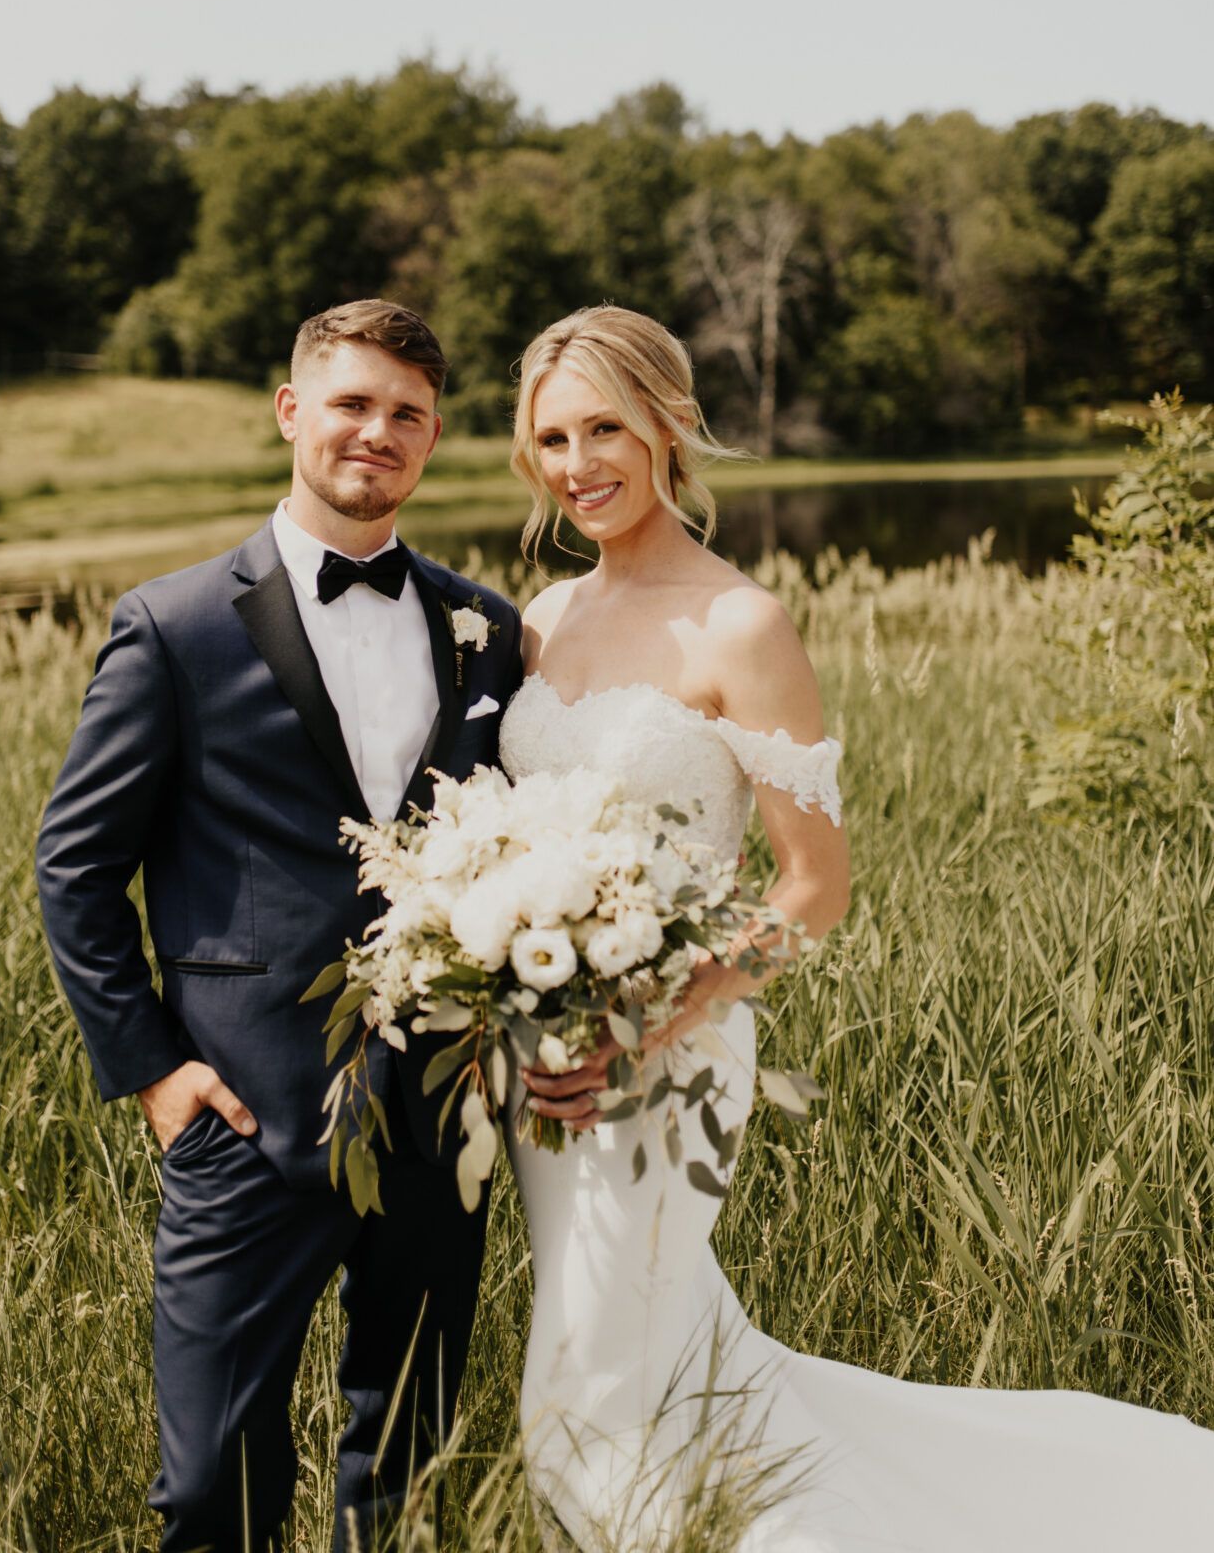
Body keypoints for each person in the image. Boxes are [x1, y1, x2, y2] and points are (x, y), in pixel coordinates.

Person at [497, 304, 1213, 1551]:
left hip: (672, 1052)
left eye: (604, 424)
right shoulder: (538, 618)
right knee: (664, 1370)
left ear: (669, 421)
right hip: (543, 1063)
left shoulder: (740, 623)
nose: (577, 463)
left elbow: (812, 885)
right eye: (551, 436)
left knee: (585, 1391)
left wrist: (664, 1011)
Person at [35, 300, 522, 1553]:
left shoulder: (486, 629)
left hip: (433, 1110)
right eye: (352, 402)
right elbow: (76, 864)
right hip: (244, 1118)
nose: (378, 431)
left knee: (407, 1469)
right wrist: (150, 1068)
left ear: (431, 437)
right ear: (291, 409)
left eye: (406, 413)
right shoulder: (177, 624)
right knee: (207, 1488)